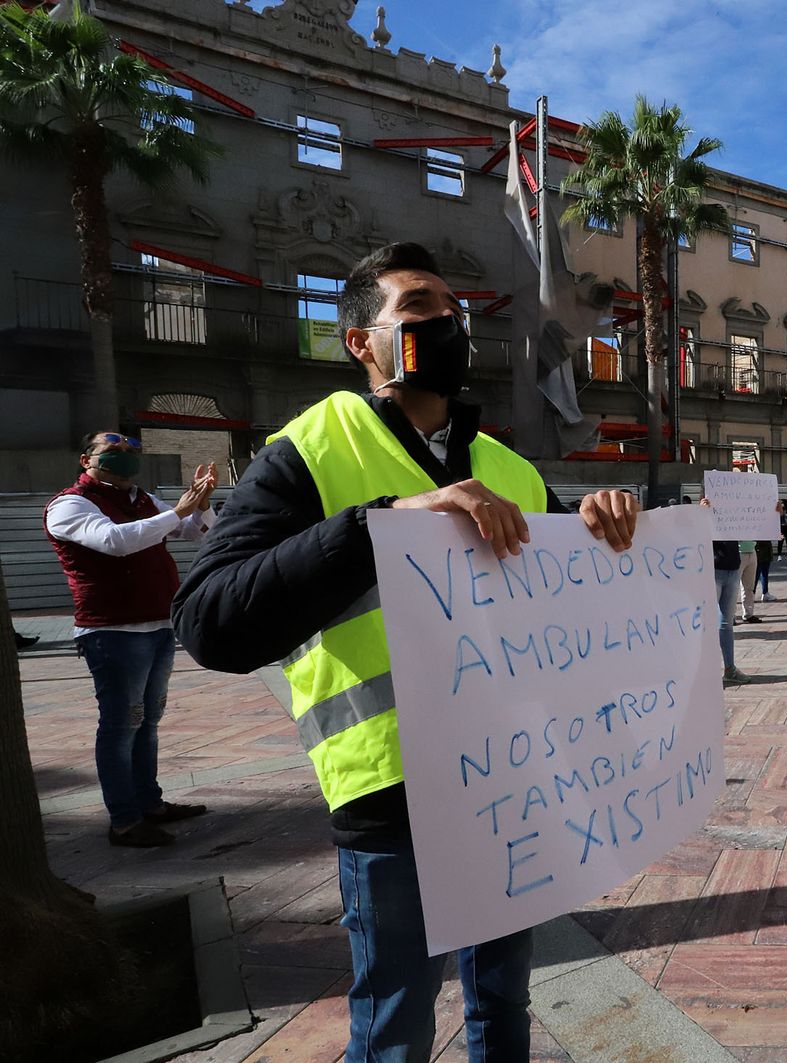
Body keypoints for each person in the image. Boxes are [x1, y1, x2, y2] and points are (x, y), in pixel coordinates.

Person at [170, 243, 640, 1061]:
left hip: (507, 776)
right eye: (419, 308)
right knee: (395, 1025)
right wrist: (380, 522)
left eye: (453, 311)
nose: (447, 322)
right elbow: (209, 621)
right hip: (388, 794)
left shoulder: (510, 469)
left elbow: (576, 608)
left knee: (502, 1001)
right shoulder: (308, 450)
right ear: (362, 342)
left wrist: (605, 528)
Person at [45, 434, 217, 847]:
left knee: (147, 722)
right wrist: (177, 511)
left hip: (158, 625)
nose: (123, 459)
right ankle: (124, 820)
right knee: (121, 726)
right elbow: (115, 542)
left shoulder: (143, 498)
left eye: (130, 453)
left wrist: (203, 504)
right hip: (112, 632)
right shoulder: (70, 504)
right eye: (112, 452)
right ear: (86, 459)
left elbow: (197, 533)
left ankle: (149, 803)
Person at [736, 539, 762, 622]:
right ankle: (730, 615)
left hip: (752, 551)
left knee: (749, 587)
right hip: (738, 552)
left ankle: (748, 614)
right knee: (733, 587)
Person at [755, 537, 777, 603]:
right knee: (761, 573)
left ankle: (763, 592)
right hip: (762, 549)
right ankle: (764, 593)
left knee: (761, 573)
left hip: (760, 549)